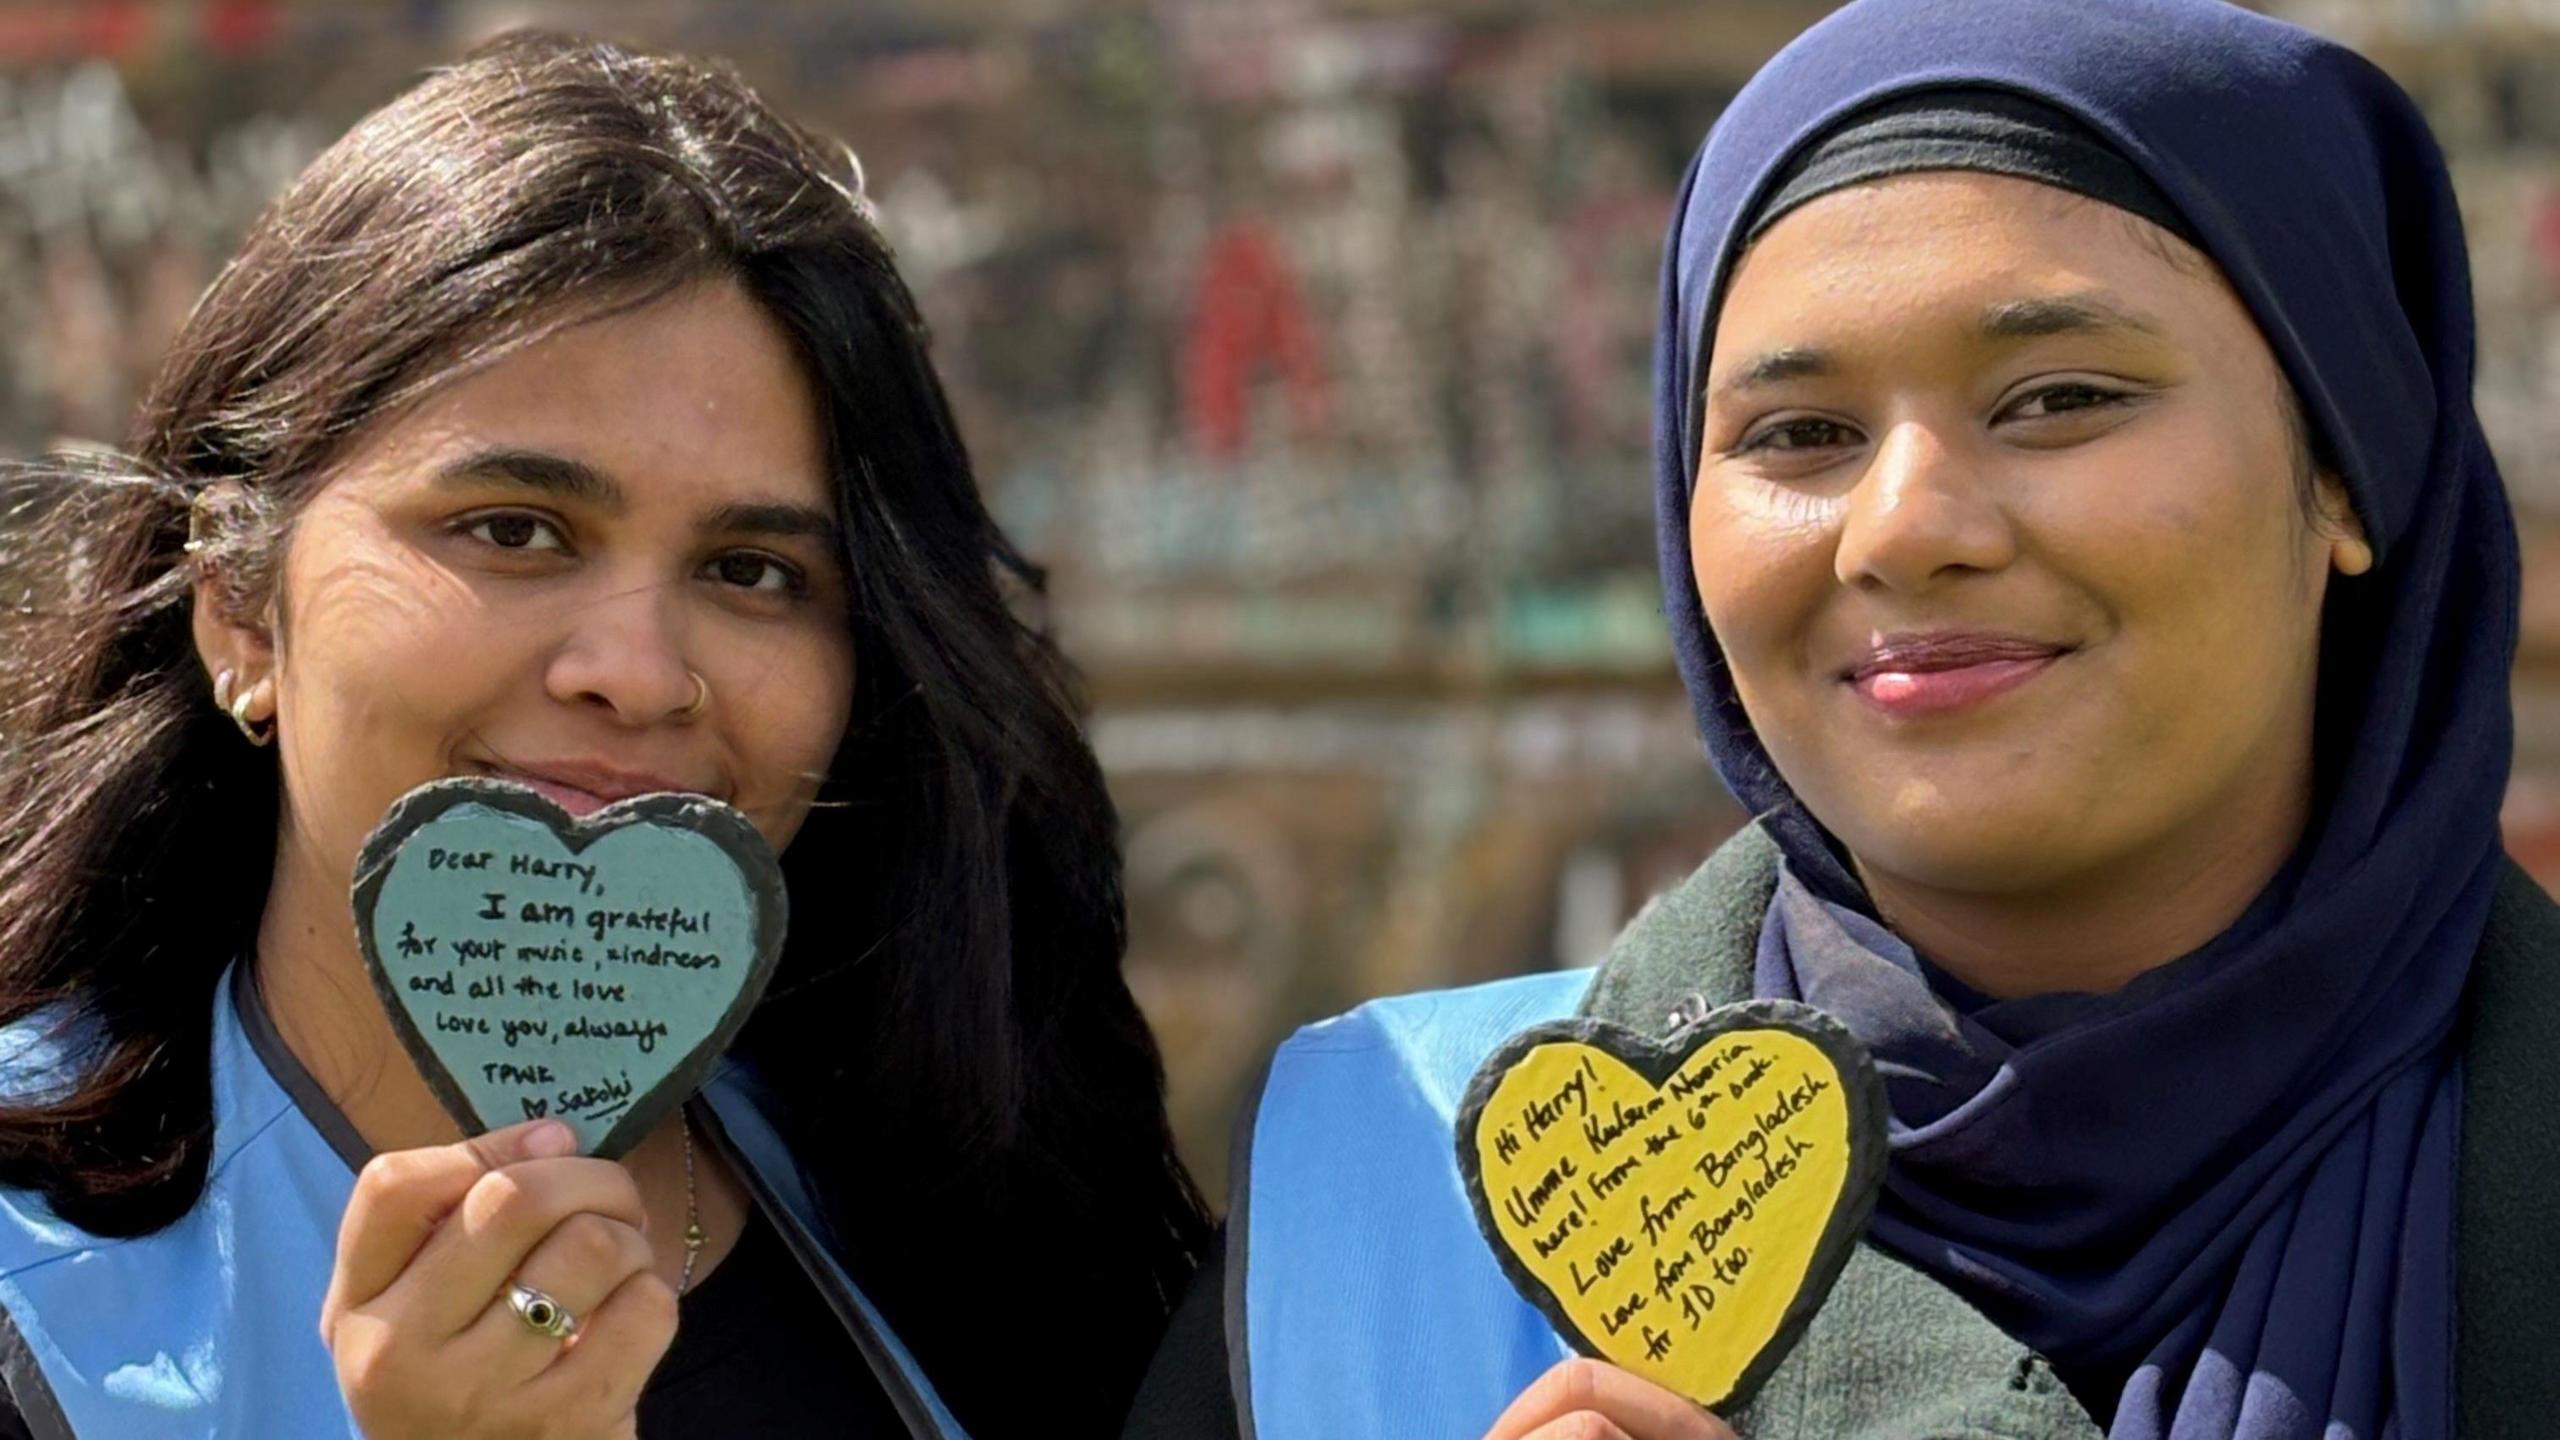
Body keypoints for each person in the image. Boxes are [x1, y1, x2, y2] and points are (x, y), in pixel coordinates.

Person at [1123, 1, 2559, 1436]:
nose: (1904, 527)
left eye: (2060, 398)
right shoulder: (1389, 1188)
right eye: (1800, 434)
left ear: (2352, 468)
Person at [0, 30, 1212, 1440]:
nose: (636, 674)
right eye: (513, 530)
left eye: (753, 570)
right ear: (241, 610)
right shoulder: (39, 1306)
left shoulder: (982, 1209)